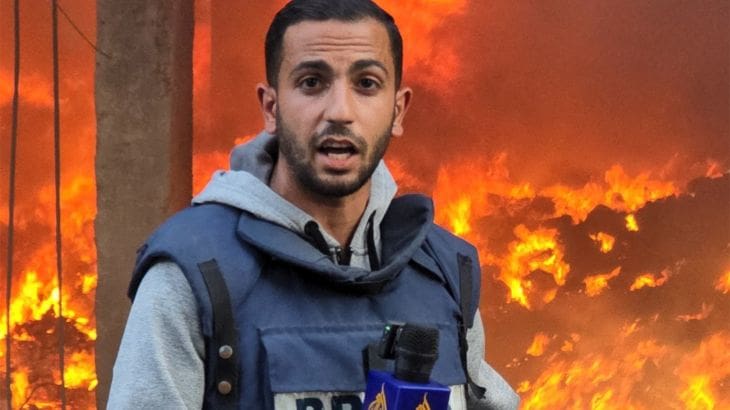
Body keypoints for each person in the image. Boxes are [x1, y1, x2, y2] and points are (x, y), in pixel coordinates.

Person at [107, 0, 520, 409]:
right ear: (271, 108)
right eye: (311, 82)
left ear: (397, 110)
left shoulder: (445, 273)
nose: (339, 111)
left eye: (366, 84)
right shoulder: (193, 275)